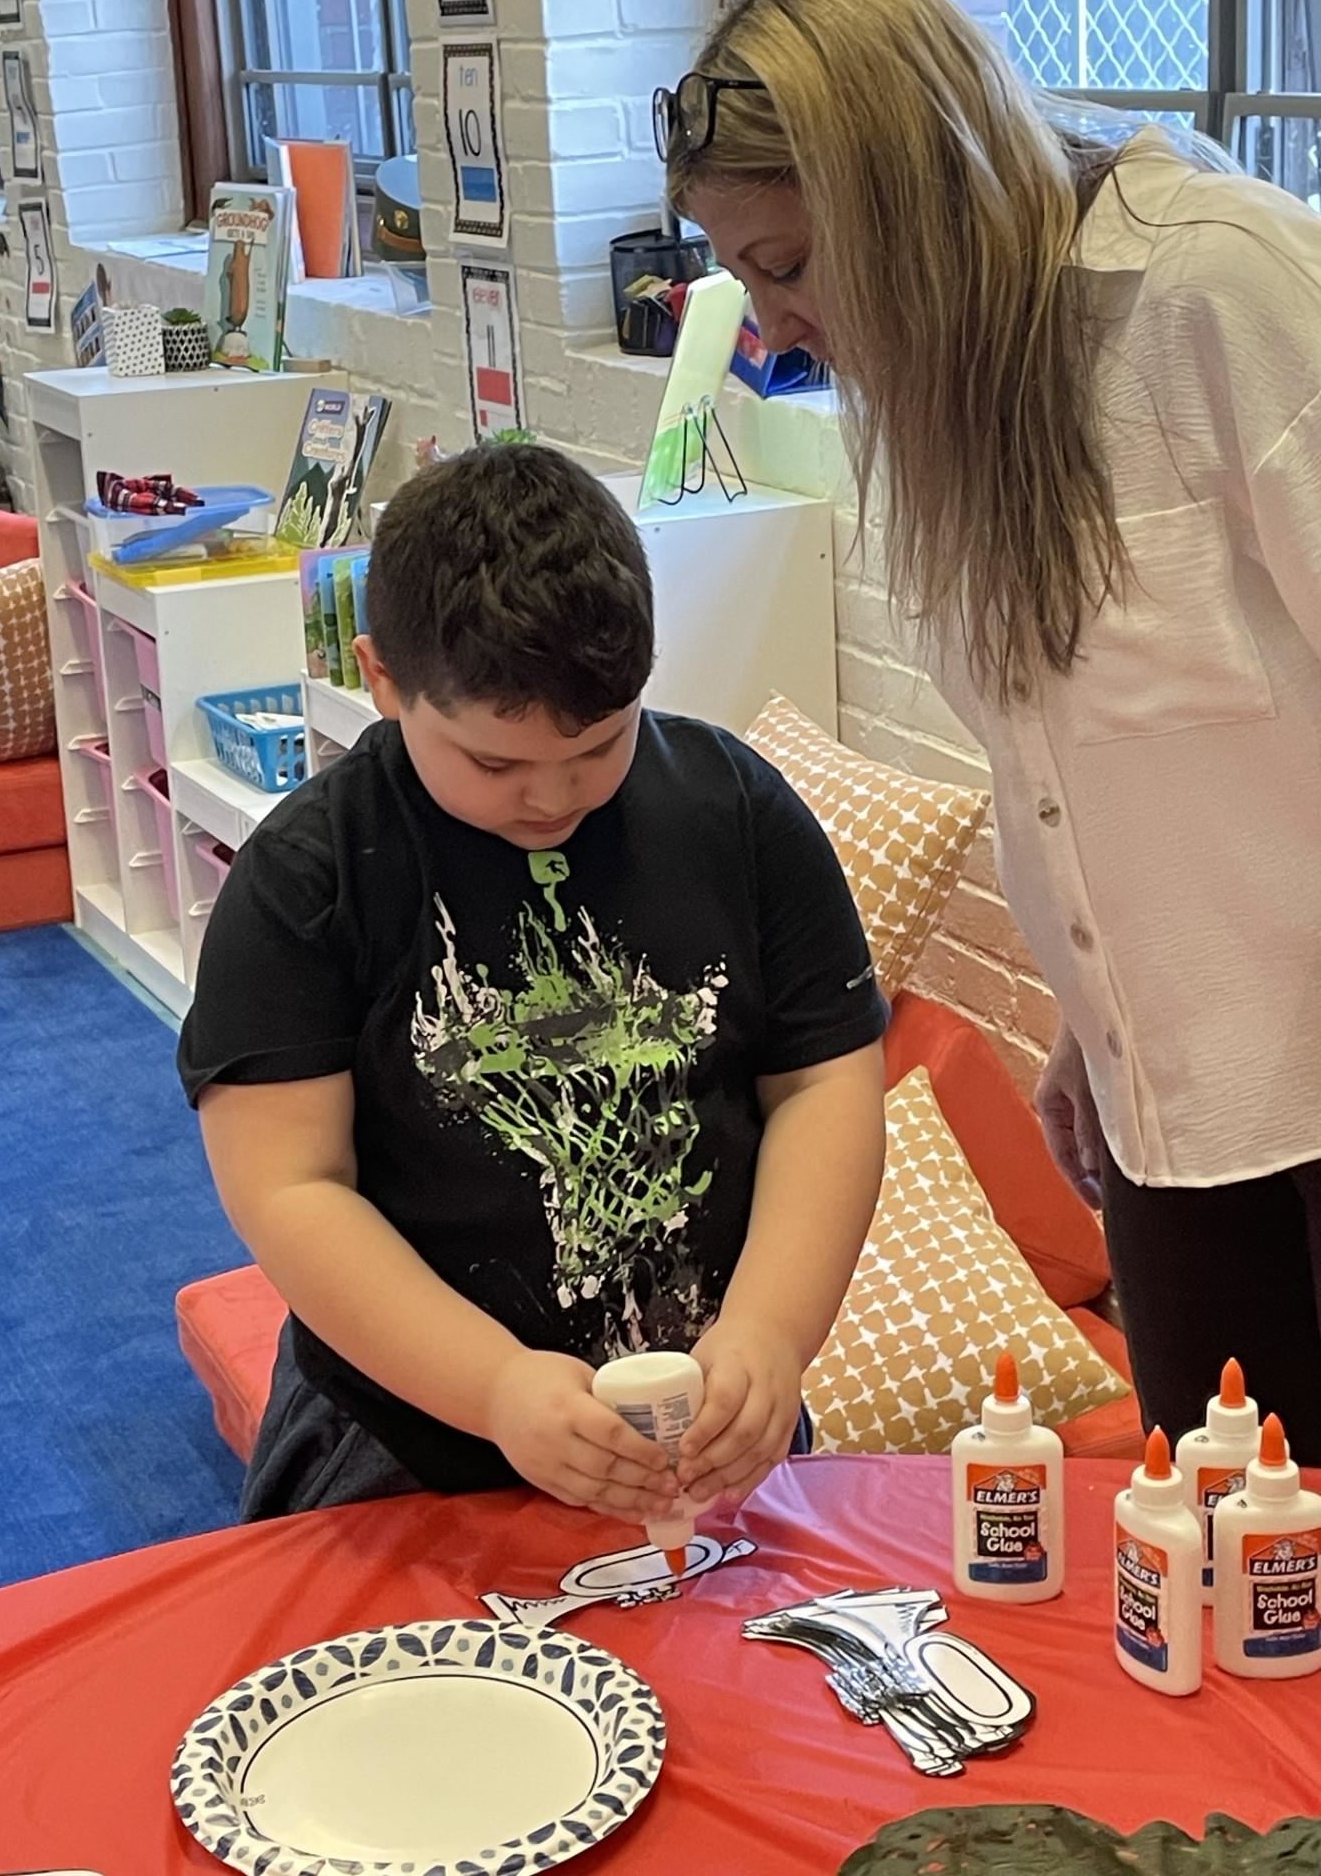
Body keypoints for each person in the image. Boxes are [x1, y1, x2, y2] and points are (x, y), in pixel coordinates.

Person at [661, 0, 1321, 1458]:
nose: (769, 326)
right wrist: (1103, 1020)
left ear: (909, 202)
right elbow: (1073, 770)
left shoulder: (1221, 290)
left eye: (788, 264)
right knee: (1221, 1567)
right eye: (744, 276)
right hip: (1177, 1112)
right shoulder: (949, 381)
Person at [179, 443, 888, 1521]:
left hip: (706, 1427)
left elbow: (825, 1086)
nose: (552, 797)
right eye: (495, 765)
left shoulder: (735, 811)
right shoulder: (310, 875)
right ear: (381, 680)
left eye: (601, 745)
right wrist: (496, 1386)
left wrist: (770, 1332)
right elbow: (289, 1186)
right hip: (408, 1435)